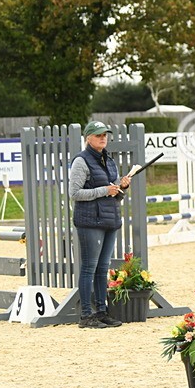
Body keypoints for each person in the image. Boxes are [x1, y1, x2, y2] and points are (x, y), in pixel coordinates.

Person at [68, 121, 130, 328]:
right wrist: (105, 190)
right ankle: (86, 315)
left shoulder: (108, 160)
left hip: (109, 219)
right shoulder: (81, 161)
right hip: (89, 221)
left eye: (105, 134)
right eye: (98, 135)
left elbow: (115, 196)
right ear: (88, 138)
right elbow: (74, 194)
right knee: (89, 268)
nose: (103, 138)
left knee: (102, 268)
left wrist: (121, 188)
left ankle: (102, 312)